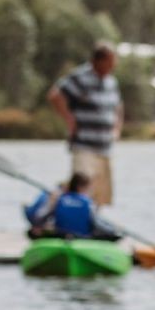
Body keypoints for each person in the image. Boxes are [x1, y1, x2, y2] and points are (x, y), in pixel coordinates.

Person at [46, 41, 122, 207]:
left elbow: (118, 106)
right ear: (98, 60)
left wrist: (116, 129)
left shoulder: (111, 81)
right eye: (110, 61)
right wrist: (69, 118)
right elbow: (55, 95)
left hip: (104, 147)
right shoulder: (80, 77)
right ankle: (58, 212)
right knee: (81, 184)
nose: (114, 65)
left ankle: (91, 225)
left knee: (100, 192)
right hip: (84, 144)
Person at [24, 172, 117, 240]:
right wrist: (113, 231)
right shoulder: (88, 203)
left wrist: (50, 204)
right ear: (81, 187)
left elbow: (39, 218)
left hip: (61, 236)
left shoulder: (59, 200)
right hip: (82, 238)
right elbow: (96, 223)